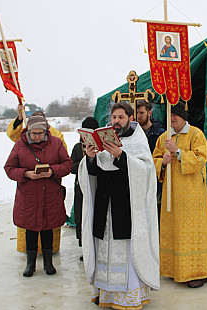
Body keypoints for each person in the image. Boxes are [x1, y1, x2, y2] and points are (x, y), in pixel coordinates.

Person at [78, 102, 160, 309]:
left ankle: (129, 296)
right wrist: (90, 158)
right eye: (114, 117)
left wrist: (121, 156)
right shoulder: (104, 138)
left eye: (121, 117)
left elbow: (146, 172)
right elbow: (93, 175)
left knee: (125, 252)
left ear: (130, 119)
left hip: (126, 208)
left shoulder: (138, 140)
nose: (116, 121)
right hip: (104, 206)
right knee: (103, 247)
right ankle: (105, 295)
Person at [152, 100, 207, 288]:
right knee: (174, 229)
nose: (172, 118)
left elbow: (200, 159)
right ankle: (175, 269)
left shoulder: (196, 134)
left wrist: (178, 152)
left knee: (193, 232)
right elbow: (154, 161)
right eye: (170, 114)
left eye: (176, 114)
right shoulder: (164, 137)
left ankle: (198, 271)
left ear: (184, 117)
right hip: (171, 195)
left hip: (192, 194)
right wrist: (163, 163)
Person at [4, 115, 73, 277]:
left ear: (46, 131)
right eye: (33, 133)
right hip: (29, 195)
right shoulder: (20, 145)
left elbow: (67, 164)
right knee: (31, 229)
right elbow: (9, 168)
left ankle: (49, 263)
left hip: (50, 193)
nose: (37, 137)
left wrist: (52, 171)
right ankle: (30, 264)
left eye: (40, 133)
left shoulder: (56, 143)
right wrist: (26, 174)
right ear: (28, 132)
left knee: (48, 227)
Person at [71, 116, 99, 260]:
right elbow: (71, 167)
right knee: (82, 216)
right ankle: (85, 248)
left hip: (97, 186)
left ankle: (97, 247)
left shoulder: (101, 147)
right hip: (81, 187)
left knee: (95, 216)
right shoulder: (77, 147)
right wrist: (85, 160)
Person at [137, 100, 165, 225]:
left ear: (150, 113)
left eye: (142, 113)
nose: (138, 116)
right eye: (136, 113)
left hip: (155, 181)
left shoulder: (160, 134)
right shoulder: (133, 134)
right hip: (138, 181)